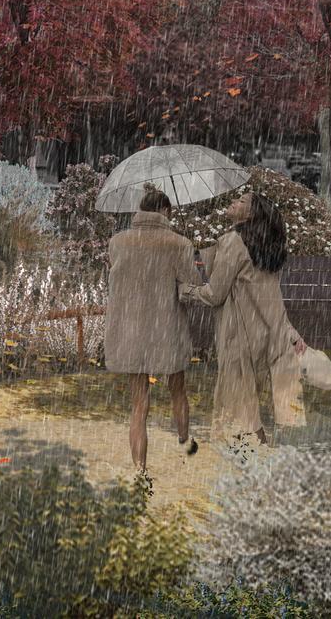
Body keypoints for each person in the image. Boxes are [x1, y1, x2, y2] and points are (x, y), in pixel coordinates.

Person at [180, 191, 307, 450]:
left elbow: (215, 294)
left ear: (249, 214)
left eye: (241, 202)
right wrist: (290, 334)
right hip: (263, 332)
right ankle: (259, 451)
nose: (233, 203)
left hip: (238, 333)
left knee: (240, 401)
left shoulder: (233, 242)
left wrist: (186, 290)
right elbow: (269, 296)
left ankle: (256, 455)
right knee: (247, 401)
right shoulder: (259, 247)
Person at [105, 184, 201, 477]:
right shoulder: (178, 243)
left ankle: (140, 470)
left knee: (139, 405)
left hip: (132, 331)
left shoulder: (118, 241)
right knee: (177, 390)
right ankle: (185, 441)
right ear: (166, 211)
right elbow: (190, 289)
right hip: (166, 330)